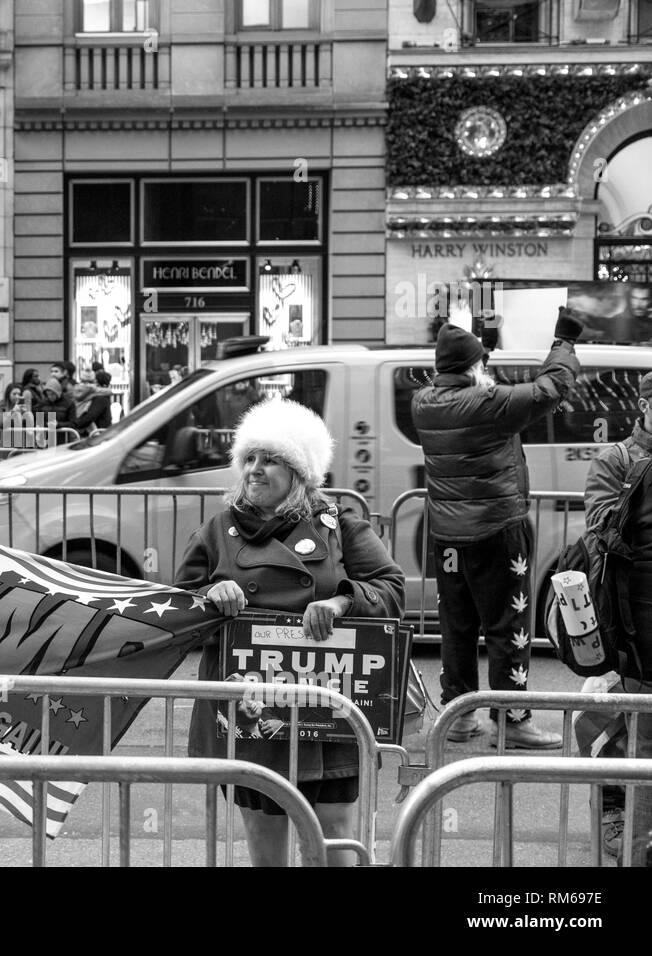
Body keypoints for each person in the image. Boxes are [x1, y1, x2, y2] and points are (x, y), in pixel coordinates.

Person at [175, 398, 404, 867]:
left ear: (299, 472)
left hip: (330, 710)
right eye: (250, 459)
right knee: (265, 832)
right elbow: (179, 605)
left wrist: (341, 600)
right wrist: (213, 593)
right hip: (254, 713)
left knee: (334, 835)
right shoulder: (219, 528)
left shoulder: (338, 522)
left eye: (271, 459)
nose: (255, 470)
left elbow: (391, 587)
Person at [411, 310, 584, 749]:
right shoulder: (488, 405)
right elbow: (551, 388)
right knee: (508, 625)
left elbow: (467, 377)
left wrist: (478, 348)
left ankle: (460, 716)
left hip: (447, 535)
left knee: (458, 625)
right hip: (496, 531)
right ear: (474, 369)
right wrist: (563, 340)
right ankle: (512, 719)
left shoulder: (424, 403)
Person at [582, 369, 652, 857]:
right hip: (633, 620)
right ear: (645, 406)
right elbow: (600, 533)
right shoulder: (618, 460)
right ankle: (627, 825)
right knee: (635, 731)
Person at [72, 369, 114, 437]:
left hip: (91, 432)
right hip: (96, 432)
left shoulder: (98, 397)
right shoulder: (100, 395)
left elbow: (90, 416)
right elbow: (91, 416)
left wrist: (75, 424)